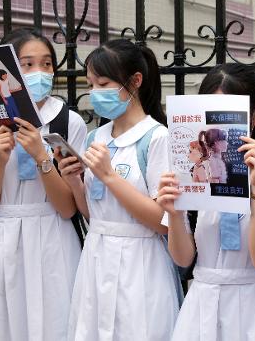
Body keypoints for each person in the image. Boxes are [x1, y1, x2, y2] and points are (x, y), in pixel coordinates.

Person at [156, 63, 255, 340]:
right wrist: (174, 214)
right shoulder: (189, 168)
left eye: (228, 114)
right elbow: (183, 258)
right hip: (202, 300)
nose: (218, 125)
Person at [0, 28, 85, 340]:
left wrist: (42, 156)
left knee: (53, 323)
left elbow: (68, 209)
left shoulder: (69, 122)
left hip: (53, 239)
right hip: (1, 239)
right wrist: (0, 161)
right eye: (27, 65)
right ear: (9, 70)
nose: (39, 72)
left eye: (46, 64)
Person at [57, 39, 180, 340]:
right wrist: (74, 180)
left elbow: (163, 222)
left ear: (135, 81)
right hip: (96, 258)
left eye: (104, 83)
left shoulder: (158, 137)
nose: (96, 93)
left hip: (141, 261)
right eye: (91, 85)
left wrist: (109, 176)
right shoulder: (94, 137)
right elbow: (93, 213)